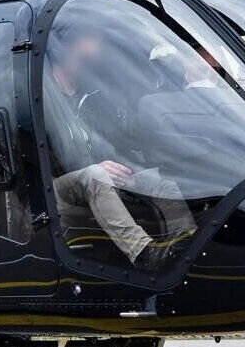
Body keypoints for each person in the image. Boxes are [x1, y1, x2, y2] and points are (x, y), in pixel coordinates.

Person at [43, 23, 176, 272]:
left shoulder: (89, 95)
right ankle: (143, 251)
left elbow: (107, 142)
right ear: (64, 50)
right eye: (84, 55)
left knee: (160, 180)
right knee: (95, 176)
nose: (93, 60)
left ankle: (183, 242)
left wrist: (125, 164)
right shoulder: (42, 93)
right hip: (53, 189)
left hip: (93, 176)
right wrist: (97, 167)